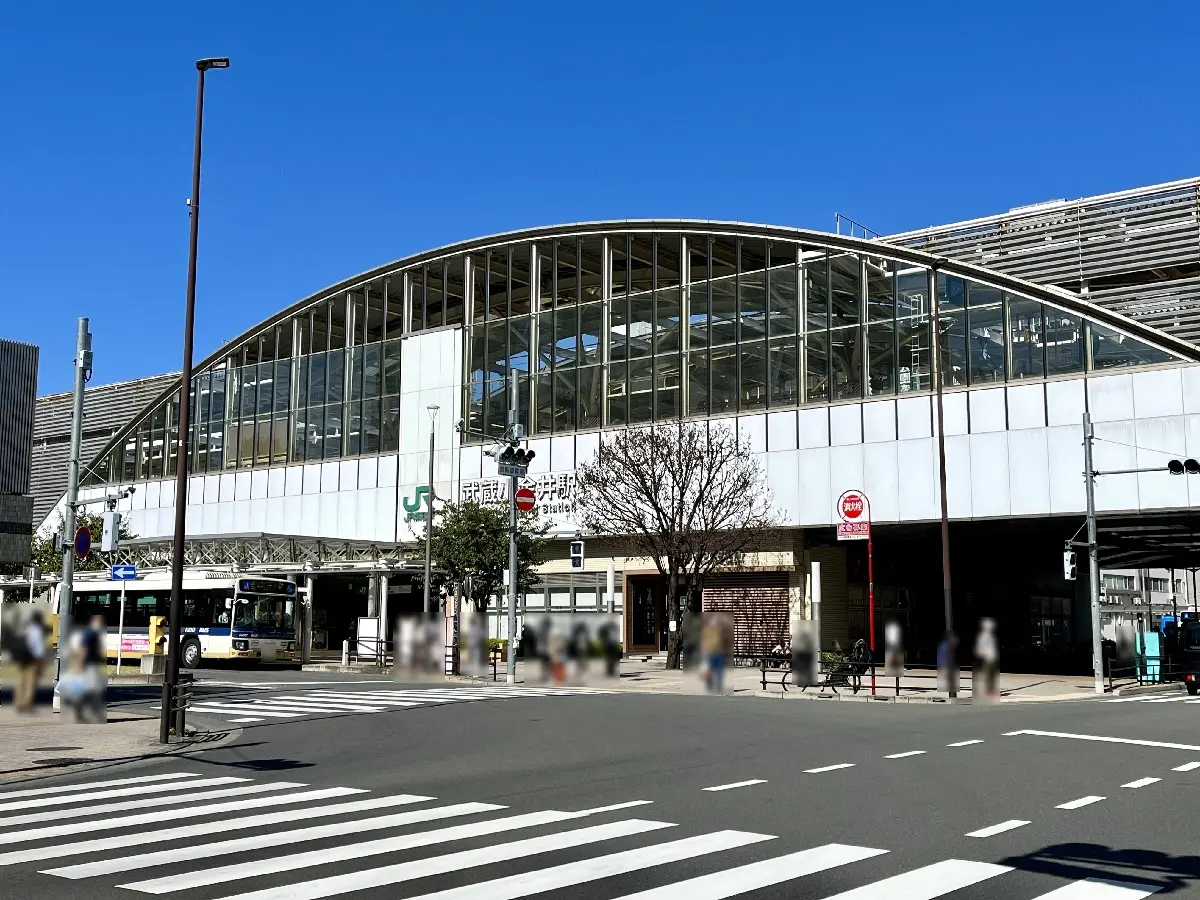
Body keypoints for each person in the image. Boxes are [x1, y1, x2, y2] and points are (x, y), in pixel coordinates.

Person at [15, 610, 47, 713]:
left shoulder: (26, 628)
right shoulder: (37, 630)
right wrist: (42, 659)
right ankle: (27, 704)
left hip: (22, 659)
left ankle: (19, 702)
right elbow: (39, 648)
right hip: (33, 660)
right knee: (31, 683)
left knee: (22, 681)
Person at [974, 618, 999, 702]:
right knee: (988, 675)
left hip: (992, 658)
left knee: (992, 675)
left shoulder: (991, 636)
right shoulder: (984, 636)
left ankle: (991, 690)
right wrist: (984, 655)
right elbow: (980, 648)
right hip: (987, 658)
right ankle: (988, 691)